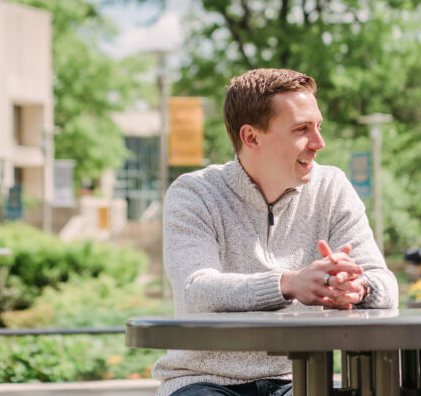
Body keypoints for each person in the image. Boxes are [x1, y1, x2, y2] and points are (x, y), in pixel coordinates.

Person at [153, 68, 398, 396]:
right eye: (302, 129)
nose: (319, 143)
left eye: (318, 127)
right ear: (251, 137)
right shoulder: (194, 193)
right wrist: (287, 284)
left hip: (299, 380)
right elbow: (195, 291)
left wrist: (357, 289)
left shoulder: (332, 187)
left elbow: (385, 284)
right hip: (203, 380)